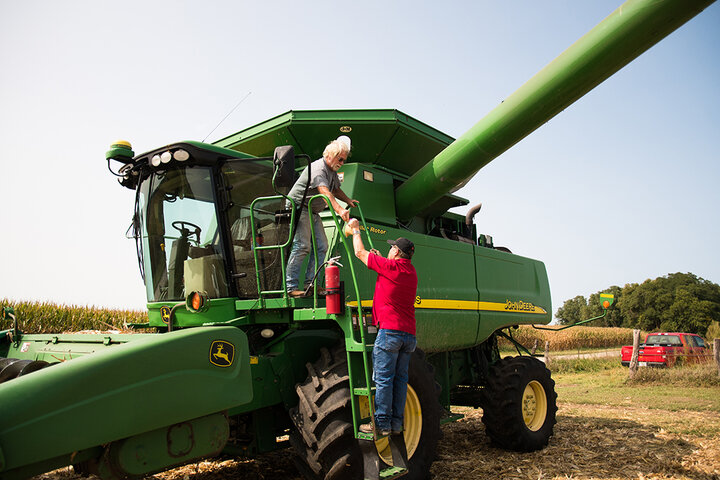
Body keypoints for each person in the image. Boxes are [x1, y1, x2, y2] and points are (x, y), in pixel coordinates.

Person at [347, 217, 418, 437]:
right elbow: (389, 274)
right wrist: (378, 260)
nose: (389, 251)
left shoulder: (390, 266)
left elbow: (359, 253)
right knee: (400, 379)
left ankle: (381, 424)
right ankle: (396, 424)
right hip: (409, 336)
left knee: (384, 379)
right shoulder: (410, 272)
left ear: (396, 252)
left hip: (390, 332)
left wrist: (356, 230)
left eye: (391, 248)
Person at [285, 137, 358, 297]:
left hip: (312, 210)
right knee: (303, 246)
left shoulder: (331, 170)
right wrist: (339, 209)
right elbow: (325, 191)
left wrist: (348, 201)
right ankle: (290, 288)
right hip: (299, 207)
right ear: (331, 155)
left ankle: (311, 285)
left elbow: (336, 189)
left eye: (344, 160)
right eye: (341, 159)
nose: (342, 163)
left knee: (322, 246)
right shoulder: (318, 168)